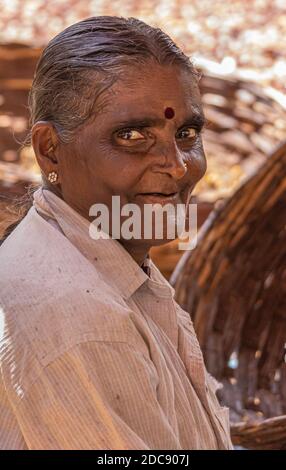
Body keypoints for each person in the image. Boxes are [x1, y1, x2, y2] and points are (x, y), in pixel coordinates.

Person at [0, 16, 233, 450]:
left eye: (186, 133)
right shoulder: (80, 323)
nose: (178, 165)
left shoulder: (110, 257)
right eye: (131, 135)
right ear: (50, 149)